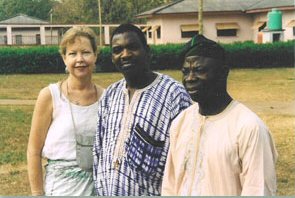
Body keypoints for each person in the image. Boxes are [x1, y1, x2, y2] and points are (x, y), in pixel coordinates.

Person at [161, 34, 278, 196]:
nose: (190, 78)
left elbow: (258, 190)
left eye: (199, 70)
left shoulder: (249, 128)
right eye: (185, 71)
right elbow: (170, 186)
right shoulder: (181, 122)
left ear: (223, 72)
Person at [93, 23, 192, 196]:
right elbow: (98, 150)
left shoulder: (174, 95)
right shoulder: (110, 94)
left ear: (147, 51)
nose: (125, 55)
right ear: (112, 57)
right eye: (117, 50)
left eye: (132, 47)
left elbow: (186, 160)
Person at [27, 26, 104, 196]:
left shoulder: (107, 98)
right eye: (72, 53)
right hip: (60, 189)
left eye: (85, 52)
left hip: (96, 190)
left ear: (95, 55)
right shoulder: (50, 96)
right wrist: (37, 194)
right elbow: (33, 151)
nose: (80, 59)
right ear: (64, 58)